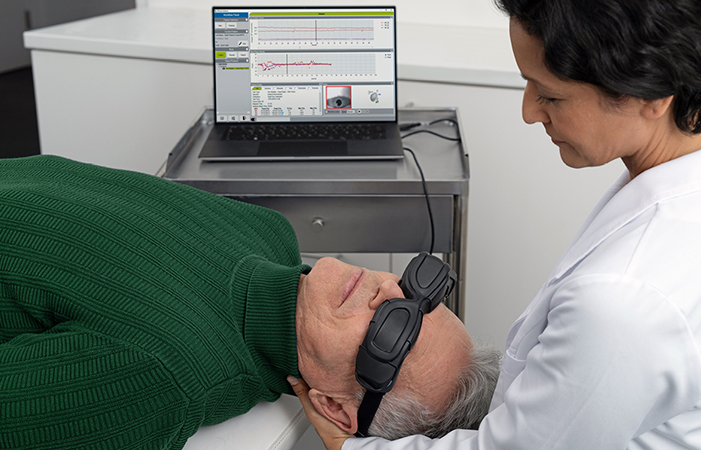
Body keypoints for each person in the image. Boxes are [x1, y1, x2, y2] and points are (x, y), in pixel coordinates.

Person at [290, 0, 701, 449]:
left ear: (651, 95)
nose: (528, 112)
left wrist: (352, 447)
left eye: (550, 95)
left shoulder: (624, 301)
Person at [0, 155, 499, 450]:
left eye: (393, 332)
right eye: (420, 290)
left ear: (332, 406)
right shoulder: (268, 231)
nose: (387, 290)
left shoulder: (166, 379)